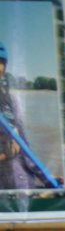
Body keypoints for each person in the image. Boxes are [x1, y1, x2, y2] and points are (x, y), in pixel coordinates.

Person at [0, 40, 37, 190]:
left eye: (1, 62)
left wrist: (45, 176)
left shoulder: (10, 99)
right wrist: (5, 155)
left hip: (20, 182)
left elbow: (24, 144)